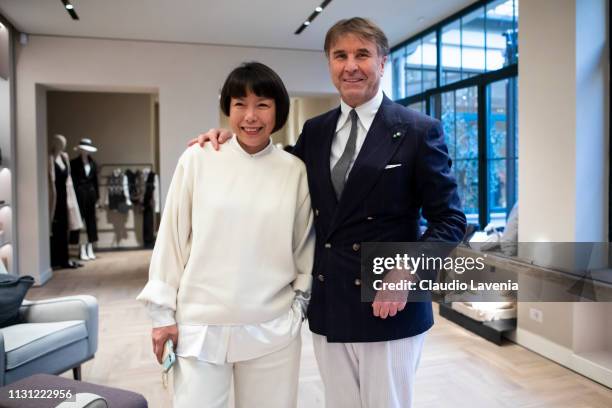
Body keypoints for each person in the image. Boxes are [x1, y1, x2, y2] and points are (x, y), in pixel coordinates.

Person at [191, 18, 466, 408]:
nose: (350, 65)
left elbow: (451, 219)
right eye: (340, 55)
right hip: (330, 299)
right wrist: (229, 141)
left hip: (390, 300)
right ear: (329, 64)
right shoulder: (315, 130)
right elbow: (275, 173)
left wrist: (406, 270)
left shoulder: (418, 130)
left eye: (362, 54)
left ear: (383, 62)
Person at [137, 62, 314, 408]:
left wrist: (298, 307)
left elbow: (303, 247)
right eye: (239, 104)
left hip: (272, 326)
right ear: (227, 110)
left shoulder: (294, 171)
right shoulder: (198, 158)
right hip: (200, 325)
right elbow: (170, 239)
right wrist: (162, 315)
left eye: (262, 104)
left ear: (278, 110)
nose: (250, 116)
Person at [70, 138, 100, 261]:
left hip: (91, 196)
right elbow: (72, 182)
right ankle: (79, 249)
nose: (85, 152)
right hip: (79, 195)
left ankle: (89, 248)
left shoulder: (93, 163)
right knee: (78, 222)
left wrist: (97, 197)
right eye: (83, 149)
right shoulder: (74, 163)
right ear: (80, 150)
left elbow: (95, 182)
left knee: (91, 221)